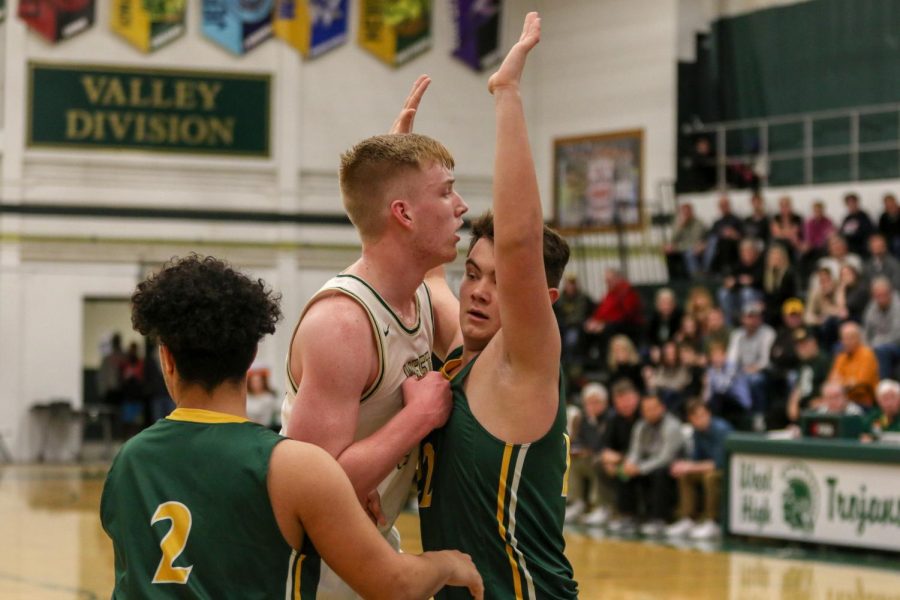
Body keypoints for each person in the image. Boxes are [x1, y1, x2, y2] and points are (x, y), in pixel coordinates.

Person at [101, 255, 483, 600]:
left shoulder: (129, 461)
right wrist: (447, 563)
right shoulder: (295, 469)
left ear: (166, 358)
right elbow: (395, 585)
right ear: (252, 354)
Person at [279, 77, 469, 598]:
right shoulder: (342, 323)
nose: (462, 207)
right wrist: (419, 417)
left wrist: (395, 162)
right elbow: (305, 495)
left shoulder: (419, 296)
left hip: (372, 546)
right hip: (317, 571)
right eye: (446, 191)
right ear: (404, 214)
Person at [416, 15, 578, 598]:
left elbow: (517, 241)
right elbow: (424, 268)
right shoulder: (464, 351)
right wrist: (400, 181)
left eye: (501, 282)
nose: (480, 290)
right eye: (474, 274)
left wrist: (506, 94)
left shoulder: (525, 363)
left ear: (543, 300)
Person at [617, 394, 684, 536]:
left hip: (670, 466)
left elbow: (665, 458)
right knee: (623, 470)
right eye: (646, 409)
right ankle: (629, 516)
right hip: (647, 463)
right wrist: (630, 463)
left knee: (660, 473)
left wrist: (640, 468)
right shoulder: (640, 425)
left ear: (662, 408)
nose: (650, 412)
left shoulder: (672, 426)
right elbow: (635, 450)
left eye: (654, 408)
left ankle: (658, 519)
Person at [665, 400, 732, 540]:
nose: (700, 419)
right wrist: (684, 466)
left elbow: (718, 463)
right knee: (685, 475)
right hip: (708, 468)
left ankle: (713, 522)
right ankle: (688, 518)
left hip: (728, 470)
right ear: (690, 420)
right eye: (695, 417)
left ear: (709, 413)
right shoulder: (697, 432)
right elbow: (696, 459)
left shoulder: (721, 429)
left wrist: (690, 467)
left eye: (702, 415)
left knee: (710, 477)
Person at [564, 383, 612, 526]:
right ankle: (576, 502)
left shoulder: (610, 418)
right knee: (570, 461)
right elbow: (580, 440)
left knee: (597, 463)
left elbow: (598, 443)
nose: (592, 406)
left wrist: (591, 424)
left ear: (605, 403)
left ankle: (599, 506)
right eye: (589, 403)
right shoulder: (583, 419)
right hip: (588, 457)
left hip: (606, 458)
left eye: (596, 402)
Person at [600, 381, 642, 532]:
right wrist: (609, 459)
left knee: (624, 471)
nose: (624, 405)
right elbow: (605, 446)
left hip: (642, 459)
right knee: (601, 464)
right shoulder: (614, 419)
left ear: (636, 397)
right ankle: (607, 509)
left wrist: (621, 459)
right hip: (623, 459)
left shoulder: (645, 415)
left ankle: (629, 515)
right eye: (620, 401)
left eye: (627, 400)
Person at [828, 321, 879, 408]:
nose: (847, 342)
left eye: (851, 338)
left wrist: (842, 383)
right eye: (844, 339)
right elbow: (832, 382)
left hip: (863, 403)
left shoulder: (866, 354)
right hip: (842, 402)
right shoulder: (841, 357)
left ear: (858, 338)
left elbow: (861, 385)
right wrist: (849, 382)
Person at [786, 329, 831, 423]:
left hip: (819, 406)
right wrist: (793, 403)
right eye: (798, 345)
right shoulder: (802, 364)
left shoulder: (824, 361)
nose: (800, 348)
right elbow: (798, 387)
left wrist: (822, 400)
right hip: (804, 406)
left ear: (813, 343)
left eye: (804, 344)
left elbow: (831, 385)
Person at [863, 277, 900, 379]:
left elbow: (897, 336)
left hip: (895, 345)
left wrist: (875, 344)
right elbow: (866, 331)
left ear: (890, 293)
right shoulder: (872, 306)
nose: (880, 299)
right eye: (877, 296)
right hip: (876, 344)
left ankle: (883, 386)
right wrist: (866, 346)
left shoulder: (898, 306)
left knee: (882, 350)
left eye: (883, 295)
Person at [664, 203, 707, 279]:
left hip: (695, 249)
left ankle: (696, 277)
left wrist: (678, 247)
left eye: (687, 212)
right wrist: (680, 227)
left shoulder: (698, 223)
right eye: (684, 212)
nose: (686, 214)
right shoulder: (678, 224)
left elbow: (695, 242)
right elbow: (673, 239)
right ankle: (674, 279)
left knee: (690, 253)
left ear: (691, 212)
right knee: (668, 250)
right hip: (682, 248)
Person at [839, 192, 875, 258]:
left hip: (861, 245)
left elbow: (868, 232)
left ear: (857, 203)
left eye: (853, 202)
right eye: (849, 203)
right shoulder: (847, 219)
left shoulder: (864, 216)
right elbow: (842, 233)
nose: (851, 205)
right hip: (849, 245)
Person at [878, 193, 900, 258]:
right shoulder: (884, 216)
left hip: (898, 238)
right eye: (887, 203)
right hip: (888, 238)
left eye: (890, 202)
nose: (889, 205)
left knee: (897, 243)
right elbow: (881, 230)